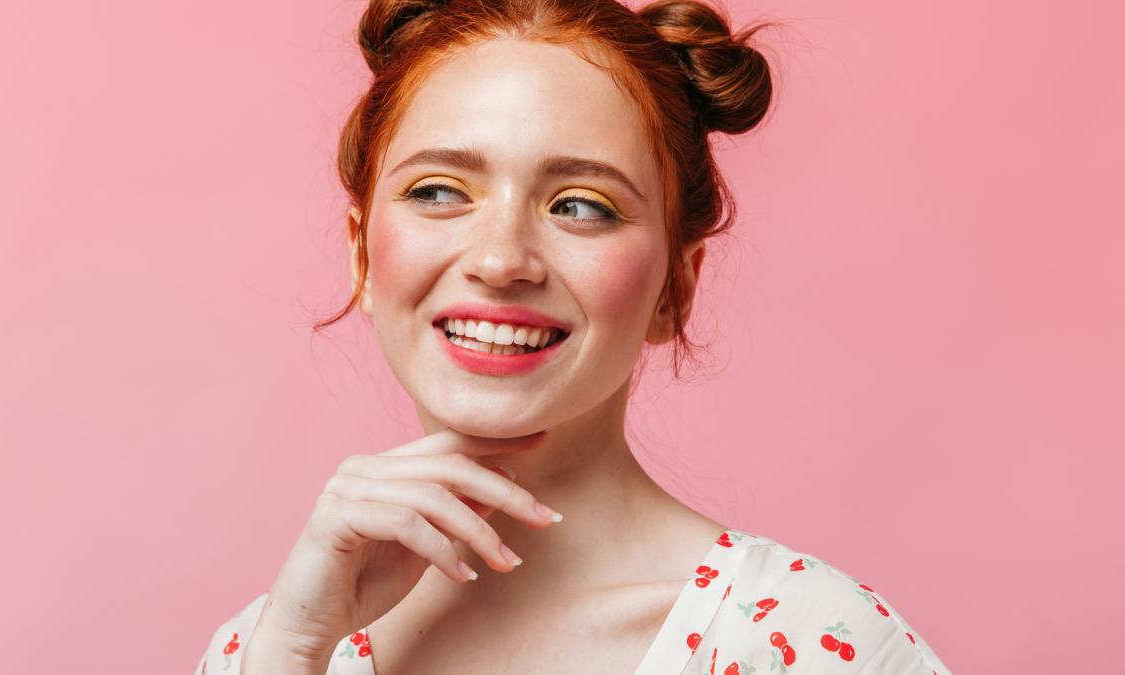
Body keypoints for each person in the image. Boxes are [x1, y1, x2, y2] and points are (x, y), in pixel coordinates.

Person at [195, 0, 953, 673]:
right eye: (439, 191)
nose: (500, 261)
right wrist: (290, 653)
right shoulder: (266, 649)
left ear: (675, 288)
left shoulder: (812, 646)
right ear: (362, 256)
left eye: (581, 205)